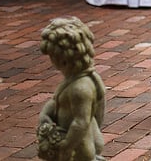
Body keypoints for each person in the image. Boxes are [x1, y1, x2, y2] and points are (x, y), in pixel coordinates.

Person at [37, 17, 105, 161]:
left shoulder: (80, 88)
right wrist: (46, 114)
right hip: (79, 141)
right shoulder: (77, 79)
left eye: (52, 56)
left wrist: (67, 147)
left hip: (78, 149)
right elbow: (57, 102)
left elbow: (81, 122)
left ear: (63, 58)